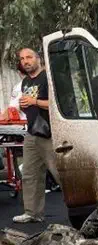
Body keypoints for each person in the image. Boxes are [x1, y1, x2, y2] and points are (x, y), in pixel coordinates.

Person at [13, 48, 60, 224]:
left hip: (50, 133)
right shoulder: (25, 81)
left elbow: (56, 104)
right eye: (23, 58)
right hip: (32, 132)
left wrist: (34, 102)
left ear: (38, 59)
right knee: (30, 174)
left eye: (29, 57)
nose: (26, 61)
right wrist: (23, 105)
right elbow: (29, 105)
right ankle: (32, 213)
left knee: (60, 173)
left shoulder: (48, 78)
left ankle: (83, 210)